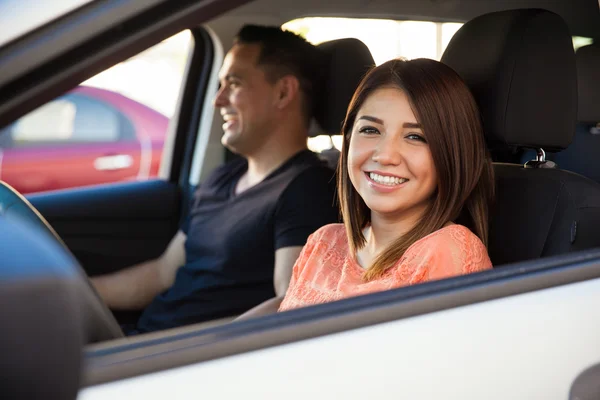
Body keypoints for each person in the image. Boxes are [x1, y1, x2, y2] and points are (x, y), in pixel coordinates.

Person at [91, 25, 339, 333]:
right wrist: (81, 291)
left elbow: (289, 303)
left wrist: (207, 352)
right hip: (143, 340)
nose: (218, 100)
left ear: (283, 92)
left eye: (233, 84)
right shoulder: (221, 178)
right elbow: (162, 274)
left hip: (185, 362)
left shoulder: (308, 189)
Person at [240, 57, 494, 317]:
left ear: (451, 154)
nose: (385, 155)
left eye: (415, 137)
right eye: (371, 130)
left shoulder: (448, 250)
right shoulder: (323, 243)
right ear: (348, 139)